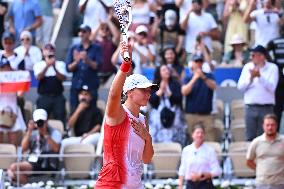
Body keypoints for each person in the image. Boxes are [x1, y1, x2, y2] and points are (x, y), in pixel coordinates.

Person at [95, 42, 155, 188]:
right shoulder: (118, 113)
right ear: (129, 92)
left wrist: (147, 137)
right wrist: (125, 66)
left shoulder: (142, 119)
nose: (148, 94)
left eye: (149, 90)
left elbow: (146, 159)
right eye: (143, 90)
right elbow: (113, 94)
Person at [7, 109, 62, 184]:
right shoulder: (32, 132)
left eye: (42, 122)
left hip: (47, 162)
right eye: (37, 122)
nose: (40, 124)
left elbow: (56, 149)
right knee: (14, 172)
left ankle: (19, 183)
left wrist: (46, 134)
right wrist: (29, 131)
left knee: (13, 168)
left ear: (46, 122)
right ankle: (27, 185)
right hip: (33, 161)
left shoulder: (54, 133)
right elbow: (23, 148)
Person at [237, 45, 279, 141]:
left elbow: (272, 87)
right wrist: (251, 78)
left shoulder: (273, 68)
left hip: (266, 107)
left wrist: (260, 77)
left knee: (266, 137)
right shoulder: (247, 67)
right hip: (250, 107)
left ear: (262, 56)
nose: (251, 58)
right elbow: (240, 87)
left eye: (253, 55)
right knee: (250, 136)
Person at [65, 24, 102, 112]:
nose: (81, 34)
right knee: (74, 112)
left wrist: (87, 60)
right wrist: (77, 61)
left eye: (84, 31)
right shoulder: (73, 48)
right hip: (76, 86)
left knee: (91, 113)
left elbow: (99, 66)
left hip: (91, 86)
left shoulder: (96, 48)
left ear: (89, 33)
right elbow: (68, 68)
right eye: (80, 31)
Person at [182, 53, 217, 141]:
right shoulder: (188, 77)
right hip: (191, 115)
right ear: (192, 63)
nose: (198, 64)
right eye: (196, 61)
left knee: (209, 140)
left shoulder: (209, 76)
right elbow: (184, 92)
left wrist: (203, 77)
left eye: (200, 61)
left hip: (207, 115)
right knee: (191, 141)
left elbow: (214, 87)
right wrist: (195, 78)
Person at [149, 65, 187, 146]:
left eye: (167, 69)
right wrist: (161, 90)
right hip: (158, 118)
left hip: (174, 116)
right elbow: (152, 101)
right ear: (159, 73)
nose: (167, 71)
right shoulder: (154, 85)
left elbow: (179, 99)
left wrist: (169, 93)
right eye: (164, 70)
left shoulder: (175, 84)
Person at [60, 85, 103, 155]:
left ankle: (89, 165)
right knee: (64, 143)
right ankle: (62, 164)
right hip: (80, 137)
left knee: (86, 142)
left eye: (86, 94)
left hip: (93, 135)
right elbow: (69, 125)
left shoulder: (96, 110)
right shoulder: (75, 110)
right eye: (81, 94)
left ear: (90, 97)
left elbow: (98, 126)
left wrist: (88, 134)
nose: (83, 97)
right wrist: (78, 110)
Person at [33, 43, 67, 127]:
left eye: (51, 49)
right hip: (44, 96)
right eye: (46, 49)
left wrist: (54, 67)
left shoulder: (60, 64)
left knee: (60, 118)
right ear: (43, 51)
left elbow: (62, 78)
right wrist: (47, 66)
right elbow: (38, 77)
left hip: (57, 96)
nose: (49, 50)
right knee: (41, 118)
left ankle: (62, 134)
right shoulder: (39, 64)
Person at [246, 114, 284, 189]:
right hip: (262, 183)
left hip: (280, 182)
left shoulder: (283, 141)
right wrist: (261, 170)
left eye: (272, 125)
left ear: (276, 126)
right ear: (263, 126)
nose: (270, 127)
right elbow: (249, 161)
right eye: (267, 125)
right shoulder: (256, 142)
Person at [178, 125, 222, 189]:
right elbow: (182, 169)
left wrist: (202, 175)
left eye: (202, 133)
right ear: (192, 135)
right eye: (197, 133)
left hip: (205, 184)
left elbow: (217, 170)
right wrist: (180, 185)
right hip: (191, 184)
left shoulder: (210, 150)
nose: (200, 135)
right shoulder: (186, 150)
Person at [0, 56, 26, 146]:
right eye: (2, 67)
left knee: (13, 140)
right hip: (1, 111)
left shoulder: (15, 79)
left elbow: (20, 95)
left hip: (13, 111)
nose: (5, 69)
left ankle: (13, 159)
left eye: (7, 67)